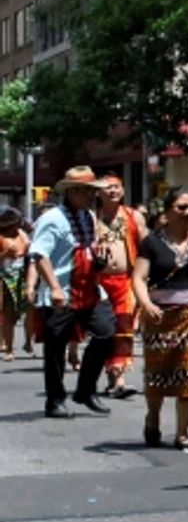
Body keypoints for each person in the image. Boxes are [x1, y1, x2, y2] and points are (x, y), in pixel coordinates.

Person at [132, 189, 188, 451]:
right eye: (181, 207)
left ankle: (182, 432)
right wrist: (146, 304)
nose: (187, 212)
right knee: (157, 374)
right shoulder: (152, 242)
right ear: (168, 211)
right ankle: (153, 418)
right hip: (159, 315)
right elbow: (138, 277)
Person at [26, 166, 117, 418]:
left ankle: (85, 390)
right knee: (56, 348)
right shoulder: (52, 218)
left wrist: (98, 259)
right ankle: (55, 400)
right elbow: (39, 254)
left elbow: (86, 249)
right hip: (62, 292)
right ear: (74, 191)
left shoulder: (88, 216)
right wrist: (54, 287)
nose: (93, 196)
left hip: (89, 289)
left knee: (106, 333)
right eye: (89, 191)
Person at [93, 177, 146, 398]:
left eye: (116, 187)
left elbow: (146, 248)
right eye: (107, 188)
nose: (112, 191)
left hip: (125, 280)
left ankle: (119, 377)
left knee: (124, 327)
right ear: (98, 193)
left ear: (122, 191)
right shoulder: (91, 218)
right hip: (98, 282)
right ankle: (111, 374)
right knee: (105, 329)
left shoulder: (134, 217)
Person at [0, 207, 32, 361]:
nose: (18, 226)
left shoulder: (22, 235)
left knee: (28, 310)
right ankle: (9, 349)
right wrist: (6, 254)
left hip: (23, 277)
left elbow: (30, 251)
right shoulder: (1, 237)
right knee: (8, 316)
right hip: (5, 278)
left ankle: (27, 342)